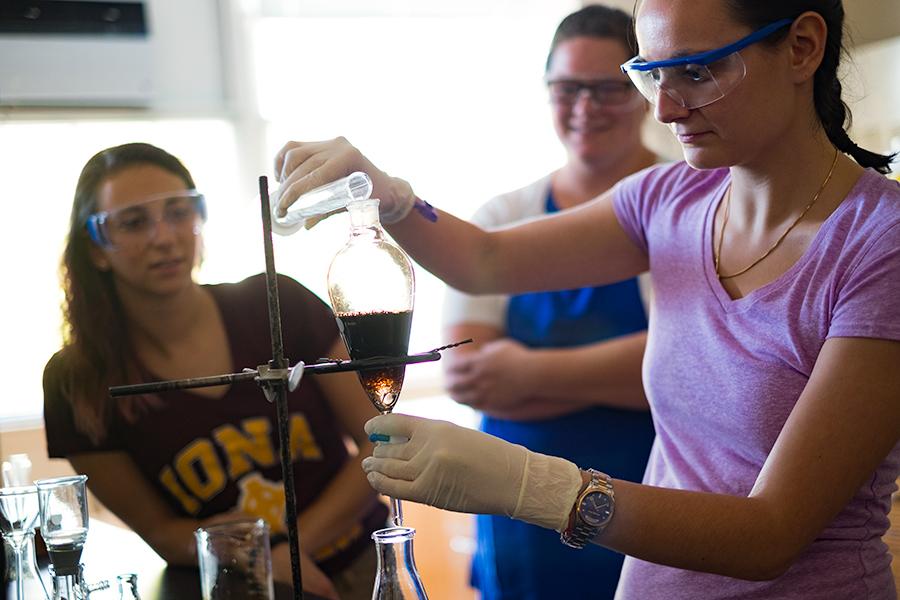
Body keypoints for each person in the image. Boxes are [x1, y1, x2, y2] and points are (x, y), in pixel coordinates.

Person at [272, 0, 900, 597]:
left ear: (801, 47)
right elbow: (485, 259)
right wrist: (392, 197)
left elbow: (771, 534)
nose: (666, 109)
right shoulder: (670, 201)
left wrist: (535, 487)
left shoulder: (880, 246)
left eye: (699, 71)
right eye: (652, 74)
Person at [42, 142, 387, 600]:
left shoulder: (278, 304)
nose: (163, 237)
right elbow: (161, 531)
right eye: (133, 222)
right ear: (97, 248)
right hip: (229, 586)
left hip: (365, 565)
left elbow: (379, 444)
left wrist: (291, 549)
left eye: (179, 212)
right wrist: (253, 556)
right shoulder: (77, 381)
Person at [441, 6, 656, 599]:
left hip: (653, 507)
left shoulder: (689, 208)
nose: (585, 108)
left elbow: (694, 370)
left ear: (644, 89)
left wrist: (527, 372)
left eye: (608, 88)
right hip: (519, 518)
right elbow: (469, 377)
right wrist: (625, 372)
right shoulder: (501, 219)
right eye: (568, 89)